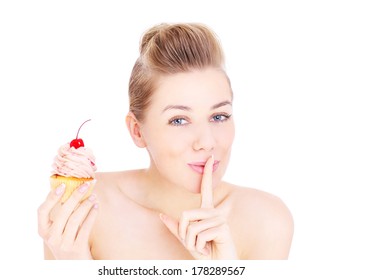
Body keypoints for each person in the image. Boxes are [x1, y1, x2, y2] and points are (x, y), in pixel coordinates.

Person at [38, 23, 294, 260]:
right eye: (179, 120)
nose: (207, 142)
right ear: (137, 131)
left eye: (219, 116)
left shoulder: (266, 221)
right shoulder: (85, 209)